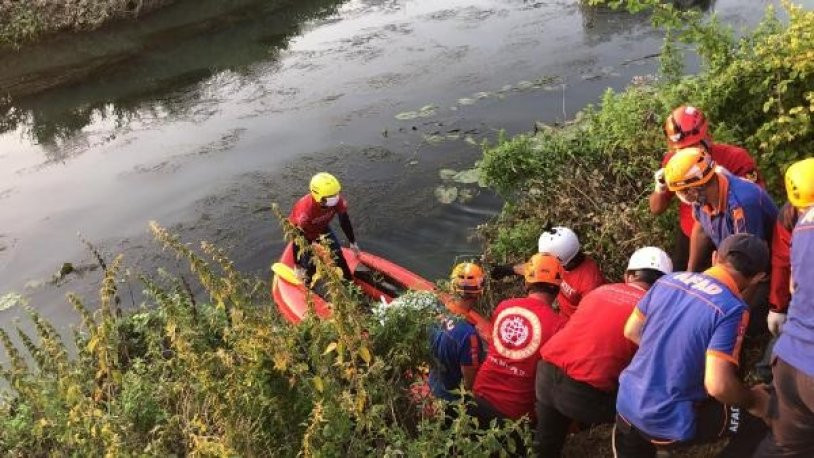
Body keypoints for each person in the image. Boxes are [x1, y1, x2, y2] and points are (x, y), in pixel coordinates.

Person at [613, 234, 772, 458]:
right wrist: (755, 400)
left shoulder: (667, 280)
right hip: (666, 420)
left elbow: (632, 331)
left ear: (716, 257)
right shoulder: (732, 309)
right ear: (758, 277)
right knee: (757, 422)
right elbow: (718, 385)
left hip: (626, 403)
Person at [534, 247, 673, 457]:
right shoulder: (659, 311)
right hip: (584, 395)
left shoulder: (600, 291)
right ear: (665, 285)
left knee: (545, 445)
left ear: (628, 275)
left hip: (545, 376)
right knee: (641, 412)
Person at [663, 147, 778, 335]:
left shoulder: (742, 203)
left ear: (692, 189)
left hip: (763, 271)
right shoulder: (705, 194)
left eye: (681, 191)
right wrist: (691, 275)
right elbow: (701, 230)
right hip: (730, 258)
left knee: (743, 323)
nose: (681, 197)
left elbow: (750, 268)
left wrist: (733, 314)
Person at [649, 105, 763, 271]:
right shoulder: (674, 162)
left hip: (730, 237)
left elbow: (755, 205)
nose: (686, 154)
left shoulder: (736, 158)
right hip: (690, 237)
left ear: (706, 138)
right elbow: (656, 209)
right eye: (680, 150)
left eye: (692, 147)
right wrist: (661, 187)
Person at [755, 158, 814, 458]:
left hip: (790, 362)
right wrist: (777, 306)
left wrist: (779, 306)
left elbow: (789, 274)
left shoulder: (801, 227)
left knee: (783, 447)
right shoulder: (792, 219)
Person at [471, 253, 567, 426]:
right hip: (515, 414)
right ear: (558, 287)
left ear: (527, 282)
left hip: (479, 395)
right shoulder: (559, 326)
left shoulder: (504, 306)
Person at [490, 227, 605, 318]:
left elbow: (590, 316)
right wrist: (508, 270)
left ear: (559, 260)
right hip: (561, 316)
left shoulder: (591, 283)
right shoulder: (563, 261)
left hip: (575, 323)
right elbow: (538, 271)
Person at [429, 263, 487, 402]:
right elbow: (469, 384)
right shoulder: (468, 335)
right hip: (451, 400)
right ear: (479, 292)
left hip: (434, 385)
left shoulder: (436, 311)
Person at [287, 172, 358, 284]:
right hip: (305, 233)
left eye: (336, 194)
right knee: (310, 265)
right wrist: (297, 265)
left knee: (337, 254)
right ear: (319, 196)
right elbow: (297, 239)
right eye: (331, 197)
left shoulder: (336, 201)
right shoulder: (305, 213)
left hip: (322, 228)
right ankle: (308, 287)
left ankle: (349, 284)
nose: (335, 198)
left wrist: (352, 242)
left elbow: (344, 221)